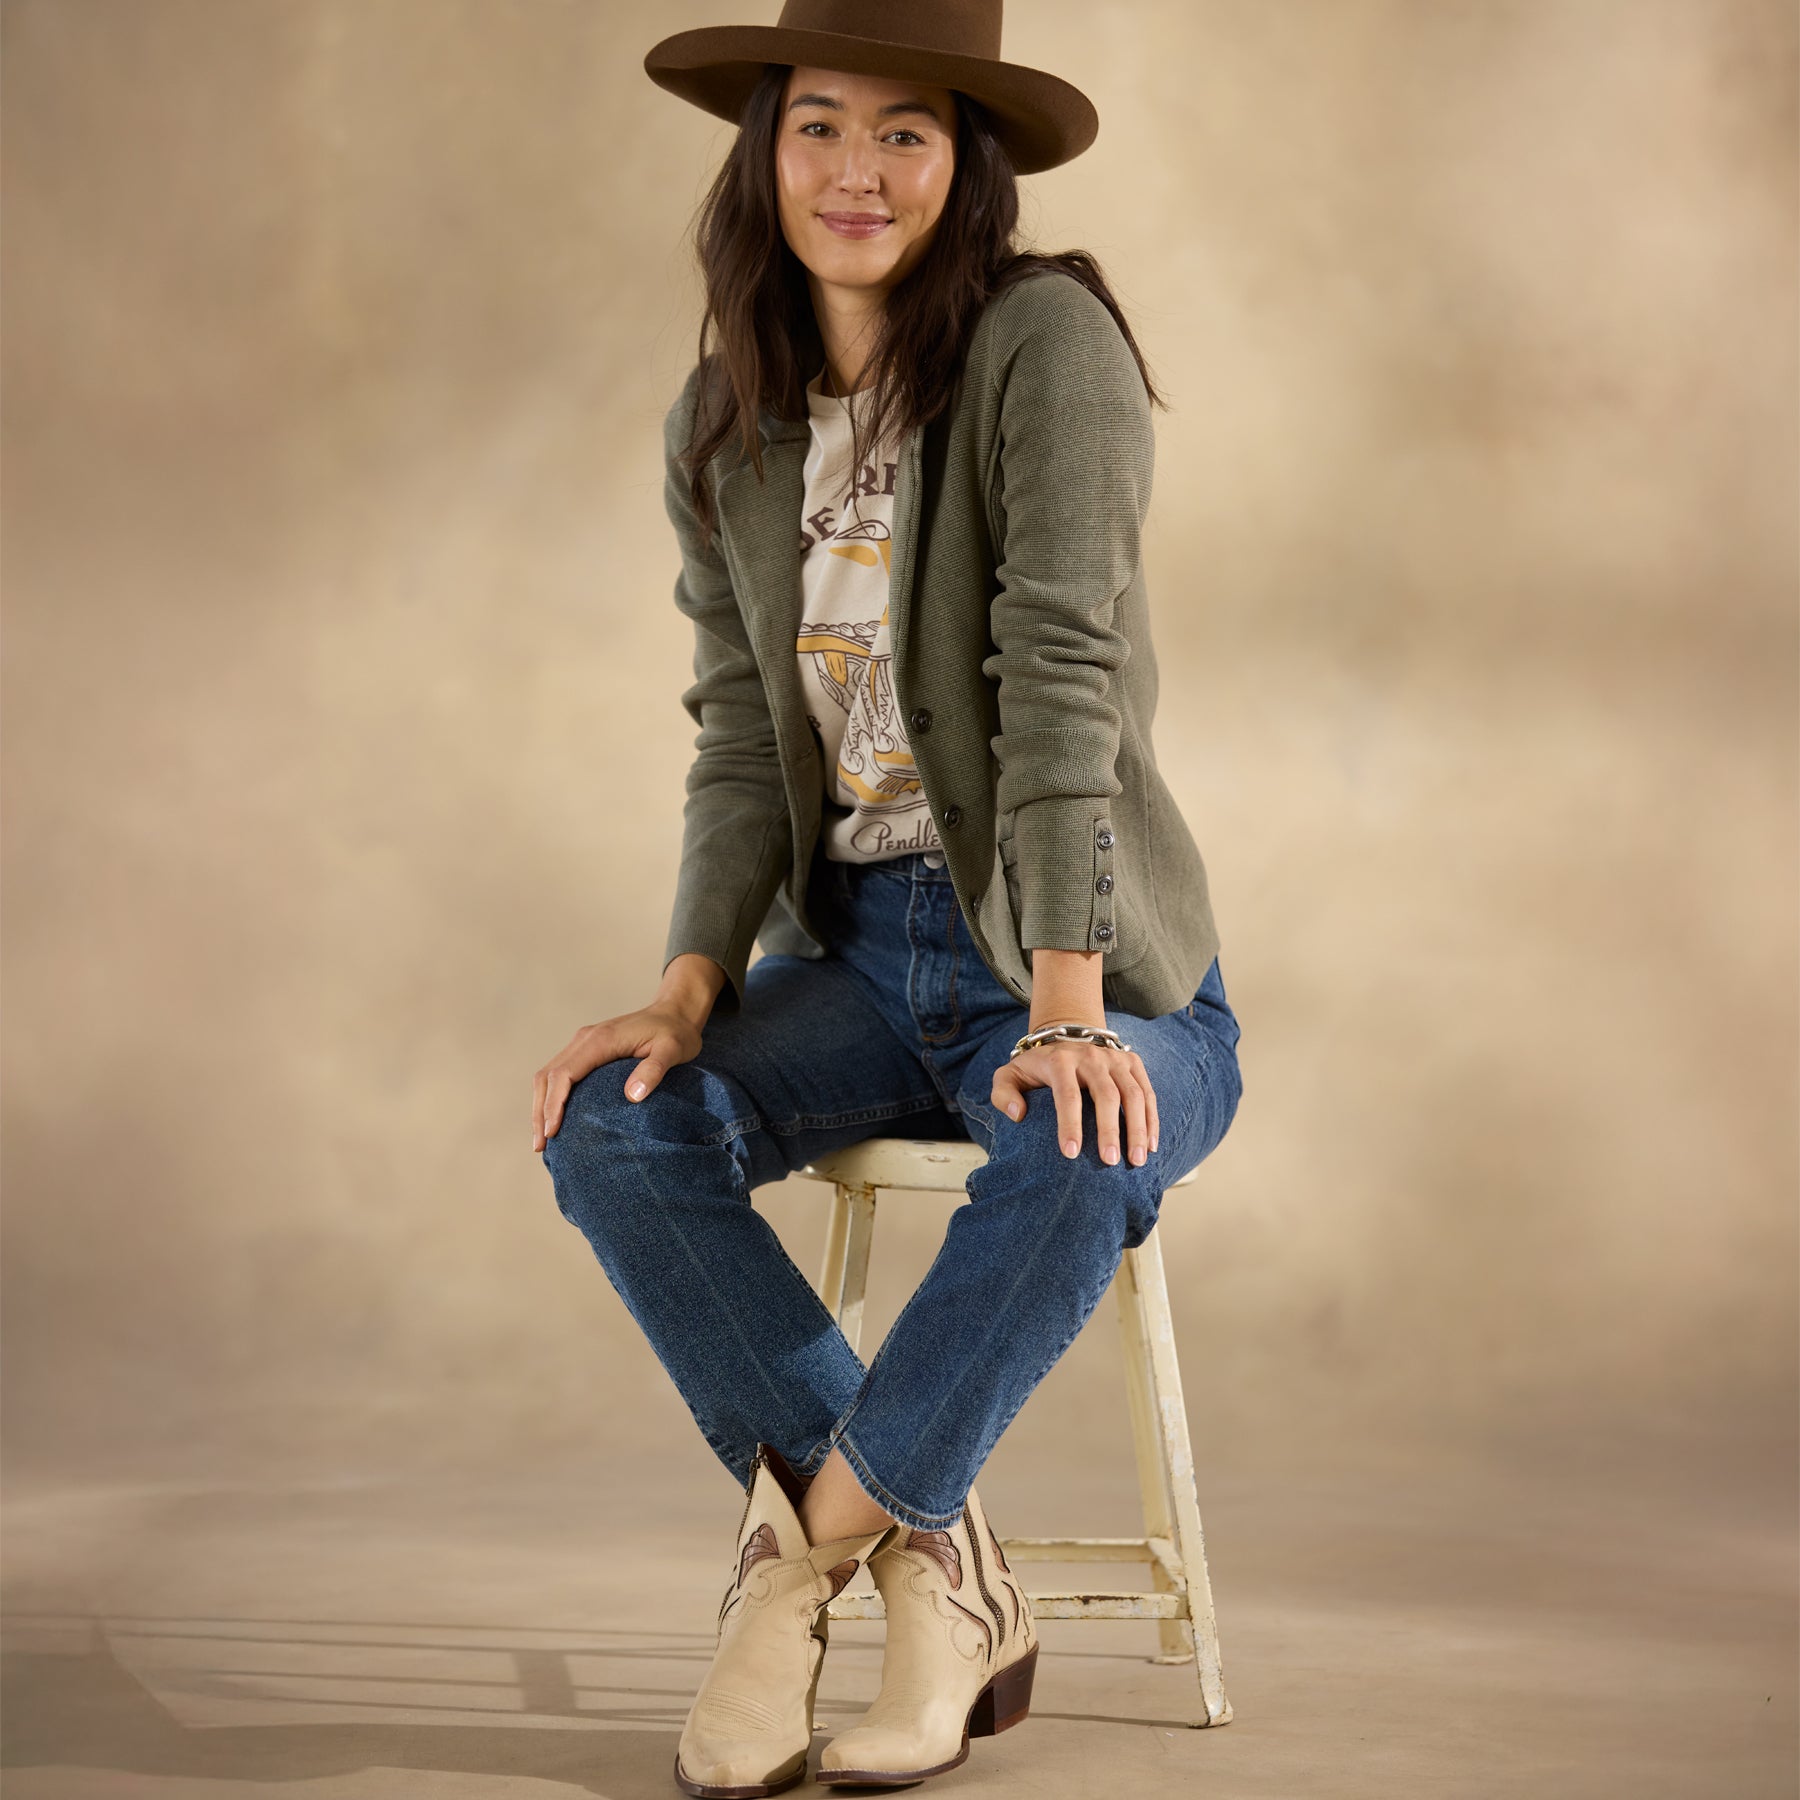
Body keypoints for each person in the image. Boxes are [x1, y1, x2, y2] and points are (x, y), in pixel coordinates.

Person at [535, 6, 1244, 1794]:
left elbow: (1064, 677)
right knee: (614, 1122)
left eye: (907, 132)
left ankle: (801, 1569)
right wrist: (687, 989)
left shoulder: (1043, 346)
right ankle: (948, 1563)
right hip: (855, 964)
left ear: (965, 163)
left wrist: (1070, 1003)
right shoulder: (723, 419)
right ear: (764, 150)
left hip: (1090, 964)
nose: (858, 171)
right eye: (822, 126)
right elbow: (740, 739)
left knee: (1082, 1138)